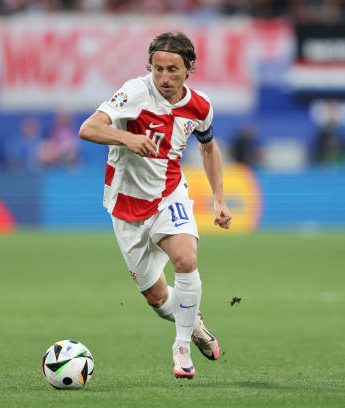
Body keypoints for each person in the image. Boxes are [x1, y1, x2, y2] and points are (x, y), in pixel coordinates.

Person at [79, 32, 232, 379]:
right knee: (157, 298)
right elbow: (88, 128)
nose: (164, 77)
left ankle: (181, 347)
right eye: (157, 68)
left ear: (190, 68)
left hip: (169, 195)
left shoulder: (200, 106)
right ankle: (194, 325)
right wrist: (127, 137)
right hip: (126, 206)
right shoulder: (135, 92)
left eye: (172, 70)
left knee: (186, 259)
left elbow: (208, 147)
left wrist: (219, 198)